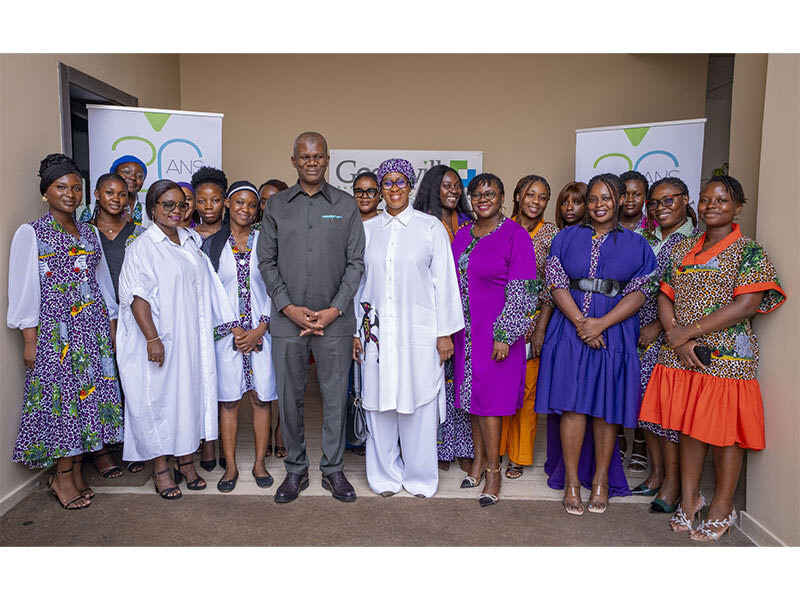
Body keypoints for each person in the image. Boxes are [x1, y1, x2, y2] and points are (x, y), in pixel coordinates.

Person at [639, 175, 785, 541]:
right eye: (706, 200)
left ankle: (722, 505)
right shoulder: (682, 247)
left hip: (726, 356)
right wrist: (677, 337)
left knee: (723, 433)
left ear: (737, 208)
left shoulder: (749, 251)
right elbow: (665, 294)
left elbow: (746, 305)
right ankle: (690, 499)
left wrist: (687, 332)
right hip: (681, 355)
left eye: (721, 200)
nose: (711, 206)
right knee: (688, 426)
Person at [535, 172, 657, 516]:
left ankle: (601, 480)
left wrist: (601, 324)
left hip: (614, 333)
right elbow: (556, 282)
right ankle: (572, 482)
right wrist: (581, 323)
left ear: (620, 201)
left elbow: (641, 291)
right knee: (572, 406)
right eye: (592, 199)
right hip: (568, 330)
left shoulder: (638, 245)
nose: (598, 205)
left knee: (606, 408)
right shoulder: (566, 237)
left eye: (606, 198)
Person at [8, 153, 123, 509]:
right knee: (62, 405)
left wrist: (112, 328)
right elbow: (24, 289)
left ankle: (73, 472)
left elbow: (101, 284)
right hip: (55, 334)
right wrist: (30, 341)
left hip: (92, 330)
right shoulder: (31, 233)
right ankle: (61, 477)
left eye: (76, 188)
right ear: (46, 192)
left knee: (88, 402)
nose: (70, 194)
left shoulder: (90, 232)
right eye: (61, 187)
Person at [256, 131, 365, 503]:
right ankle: (296, 470)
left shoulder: (346, 205)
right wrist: (289, 308)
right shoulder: (277, 206)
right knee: (290, 398)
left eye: (318, 156)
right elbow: (266, 262)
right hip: (288, 319)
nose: (312, 162)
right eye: (304, 157)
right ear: (294, 161)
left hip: (335, 319)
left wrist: (334, 310)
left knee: (335, 398)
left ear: (327, 159)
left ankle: (333, 470)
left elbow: (356, 263)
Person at [117, 179, 237, 499]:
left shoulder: (189, 240)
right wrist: (152, 338)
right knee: (157, 400)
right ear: (152, 208)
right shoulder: (144, 246)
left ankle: (185, 461)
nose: (175, 210)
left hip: (190, 338)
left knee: (186, 399)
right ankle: (160, 468)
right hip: (160, 337)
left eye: (181, 205)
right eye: (167, 204)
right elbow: (137, 297)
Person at [353, 159, 463, 498]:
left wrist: (444, 333)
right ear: (380, 189)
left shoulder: (430, 227)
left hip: (420, 333)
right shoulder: (367, 230)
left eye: (401, 181)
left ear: (411, 185)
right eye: (387, 183)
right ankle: (385, 476)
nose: (394, 188)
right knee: (379, 403)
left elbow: (445, 282)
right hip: (375, 334)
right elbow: (358, 285)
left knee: (419, 404)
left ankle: (419, 477)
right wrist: (355, 332)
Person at [452, 173, 537, 507]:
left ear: (503, 198)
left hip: (496, 335)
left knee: (490, 404)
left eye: (490, 194)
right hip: (465, 334)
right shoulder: (462, 235)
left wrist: (504, 335)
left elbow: (523, 291)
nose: (483, 199)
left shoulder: (516, 236)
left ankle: (493, 471)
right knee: (473, 401)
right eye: (477, 194)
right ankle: (477, 461)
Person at [203, 180, 278, 492]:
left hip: (263, 334)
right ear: (227, 205)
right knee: (229, 400)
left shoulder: (267, 242)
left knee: (261, 399)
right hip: (227, 337)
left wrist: (261, 327)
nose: (245, 209)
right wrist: (235, 328)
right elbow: (211, 290)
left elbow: (276, 284)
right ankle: (231, 466)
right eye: (239, 203)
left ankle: (260, 463)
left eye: (252, 204)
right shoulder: (212, 245)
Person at [630, 177, 699, 514]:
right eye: (654, 203)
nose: (660, 208)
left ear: (685, 200)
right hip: (637, 331)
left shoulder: (696, 241)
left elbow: (684, 292)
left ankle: (673, 483)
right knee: (646, 406)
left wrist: (659, 326)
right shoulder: (645, 237)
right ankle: (657, 474)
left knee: (668, 410)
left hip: (671, 335)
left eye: (668, 200)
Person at [413, 164, 474, 472]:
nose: (453, 191)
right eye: (447, 185)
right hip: (430, 314)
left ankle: (463, 446)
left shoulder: (470, 224)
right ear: (433, 187)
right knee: (435, 383)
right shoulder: (420, 223)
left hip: (468, 316)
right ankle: (438, 448)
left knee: (463, 381)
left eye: (457, 186)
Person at [499, 175, 559, 479]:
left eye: (542, 197)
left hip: (533, 323)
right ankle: (495, 450)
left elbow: (552, 286)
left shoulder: (552, 234)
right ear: (518, 196)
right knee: (499, 389)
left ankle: (518, 456)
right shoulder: (500, 228)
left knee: (527, 392)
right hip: (500, 325)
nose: (536, 202)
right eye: (530, 195)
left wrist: (539, 331)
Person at [89, 172, 147, 475]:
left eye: (122, 194)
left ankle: (133, 444)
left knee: (132, 381)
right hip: (91, 318)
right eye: (110, 192)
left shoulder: (139, 234)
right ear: (97, 194)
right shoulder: (83, 233)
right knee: (98, 382)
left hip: (133, 317)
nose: (116, 199)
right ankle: (101, 452)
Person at [345, 171, 382, 457]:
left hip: (377, 316)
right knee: (350, 383)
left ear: (380, 195)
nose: (364, 196)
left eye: (370, 191)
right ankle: (354, 438)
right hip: (348, 311)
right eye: (359, 191)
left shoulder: (386, 227)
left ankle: (378, 440)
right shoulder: (345, 226)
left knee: (377, 381)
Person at [617, 170, 652, 471]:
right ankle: (617, 438)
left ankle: (639, 440)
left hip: (649, 316)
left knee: (642, 383)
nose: (630, 199)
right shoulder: (605, 227)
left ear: (645, 198)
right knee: (614, 379)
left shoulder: (655, 232)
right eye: (625, 193)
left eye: (636, 194)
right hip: (611, 315)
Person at [254, 179, 289, 455]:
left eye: (273, 200)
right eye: (263, 201)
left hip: (289, 312)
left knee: (288, 380)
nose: (268, 206)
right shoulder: (252, 233)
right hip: (262, 315)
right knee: (264, 382)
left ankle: (281, 432)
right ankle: (263, 436)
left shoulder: (293, 230)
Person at [81, 155, 149, 227]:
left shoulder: (148, 212)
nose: (133, 177)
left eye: (139, 176)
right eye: (126, 172)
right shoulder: (91, 211)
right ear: (114, 174)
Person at [192, 167, 228, 241]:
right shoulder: (189, 237)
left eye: (215, 200)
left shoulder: (233, 235)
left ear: (224, 201)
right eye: (201, 201)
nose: (208, 206)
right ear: (195, 203)